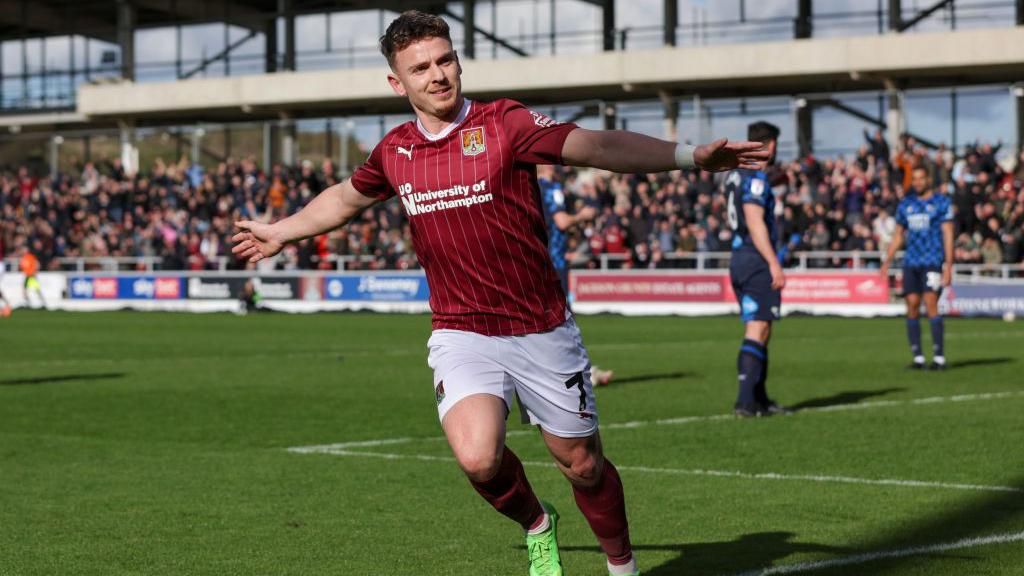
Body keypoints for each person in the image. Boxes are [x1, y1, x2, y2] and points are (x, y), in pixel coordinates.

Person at [232, 11, 767, 576]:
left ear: (457, 62)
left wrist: (687, 156)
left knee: (583, 465)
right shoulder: (395, 151)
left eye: (445, 60)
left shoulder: (504, 123)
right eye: (421, 68)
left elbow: (597, 146)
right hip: (462, 331)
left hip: (541, 328)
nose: (437, 75)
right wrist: (281, 230)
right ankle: (538, 524)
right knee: (478, 458)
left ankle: (621, 564)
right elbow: (346, 197)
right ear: (398, 83)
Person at [725, 121, 788, 417]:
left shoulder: (734, 176)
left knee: (764, 326)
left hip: (740, 256)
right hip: (755, 258)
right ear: (770, 145)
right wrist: (774, 262)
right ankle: (745, 400)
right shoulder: (757, 178)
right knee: (757, 326)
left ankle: (759, 398)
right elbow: (754, 220)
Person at [537, 164, 614, 386]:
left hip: (541, 259)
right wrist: (583, 215)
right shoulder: (552, 188)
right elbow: (562, 221)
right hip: (555, 261)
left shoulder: (530, 186)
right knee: (564, 319)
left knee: (549, 320)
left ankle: (569, 371)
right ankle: (581, 372)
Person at [880, 166, 954, 370]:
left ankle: (939, 358)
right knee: (911, 305)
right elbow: (898, 235)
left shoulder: (941, 202)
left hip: (932, 260)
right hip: (911, 262)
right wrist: (887, 261)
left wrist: (948, 265)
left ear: (928, 179)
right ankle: (918, 358)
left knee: (931, 302)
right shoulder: (906, 204)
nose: (918, 182)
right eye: (915, 179)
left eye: (921, 178)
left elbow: (948, 235)